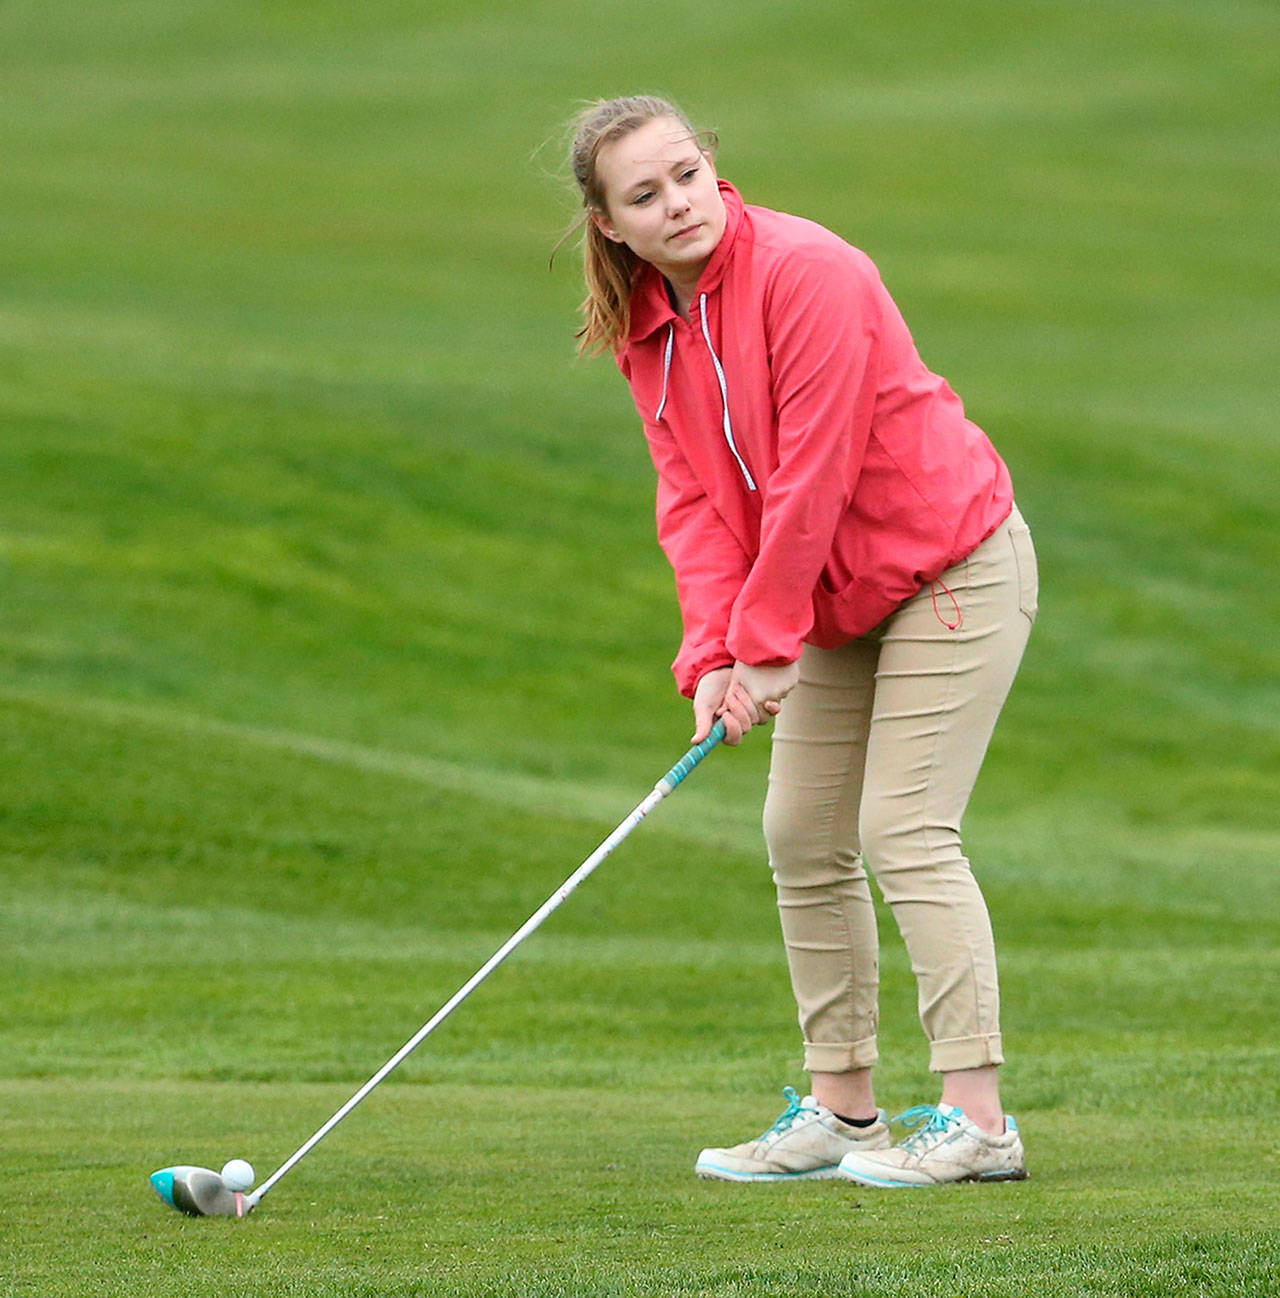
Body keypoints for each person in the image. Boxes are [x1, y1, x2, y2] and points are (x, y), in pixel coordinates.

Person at [562, 95, 1038, 1189]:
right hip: (829, 599)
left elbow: (815, 470)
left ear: (710, 164)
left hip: (946, 566)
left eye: (684, 173)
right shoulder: (649, 327)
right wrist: (713, 656)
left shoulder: (805, 268)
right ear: (608, 225)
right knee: (798, 832)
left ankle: (978, 1121)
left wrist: (765, 641)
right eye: (643, 194)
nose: (675, 202)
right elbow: (690, 501)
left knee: (902, 827)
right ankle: (843, 1109)